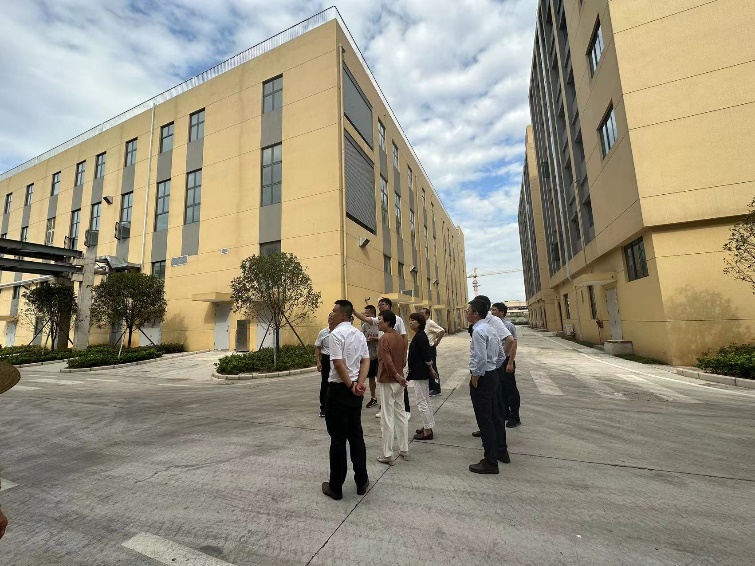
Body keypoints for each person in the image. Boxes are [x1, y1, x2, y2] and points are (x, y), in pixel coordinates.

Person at [322, 300, 370, 500]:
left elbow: (338, 364)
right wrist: (359, 384)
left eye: (334, 311)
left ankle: (336, 487)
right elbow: (365, 360)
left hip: (339, 390)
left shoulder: (336, 335)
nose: (331, 314)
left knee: (338, 439)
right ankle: (362, 481)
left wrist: (351, 385)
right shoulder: (359, 334)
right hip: (355, 391)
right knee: (356, 436)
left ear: (343, 315)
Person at [466, 298, 510, 474]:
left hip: (483, 377)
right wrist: (493, 369)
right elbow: (501, 355)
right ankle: (500, 452)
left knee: (485, 420)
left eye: (468, 311)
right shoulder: (490, 328)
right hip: (492, 375)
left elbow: (480, 358)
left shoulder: (478, 331)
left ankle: (490, 461)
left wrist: (476, 376)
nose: (466, 314)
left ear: (476, 313)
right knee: (494, 416)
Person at [352, 297, 410, 419]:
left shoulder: (397, 320)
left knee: (398, 382)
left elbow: (404, 337)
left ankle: (405, 410)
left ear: (389, 305)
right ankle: (385, 409)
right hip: (382, 353)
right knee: (385, 383)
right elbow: (365, 319)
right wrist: (353, 311)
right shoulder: (379, 320)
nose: (380, 306)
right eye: (378, 305)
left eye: (382, 304)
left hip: (394, 353)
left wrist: (404, 355)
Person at [471, 295, 513, 438]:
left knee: (494, 406)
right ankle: (489, 433)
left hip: (489, 370)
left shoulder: (493, 322)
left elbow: (510, 340)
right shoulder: (480, 325)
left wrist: (497, 365)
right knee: (487, 407)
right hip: (488, 369)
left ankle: (494, 440)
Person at [375, 309, 410, 465]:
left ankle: (387, 454)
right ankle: (404, 449)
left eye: (380, 320)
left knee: (387, 417)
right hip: (399, 380)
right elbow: (403, 359)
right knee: (400, 414)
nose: (378, 323)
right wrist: (400, 376)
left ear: (388, 322)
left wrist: (395, 375)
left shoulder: (384, 338)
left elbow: (387, 361)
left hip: (388, 379)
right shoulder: (400, 338)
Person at [407, 313, 437, 440]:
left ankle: (427, 431)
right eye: (409, 320)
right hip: (420, 372)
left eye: (413, 320)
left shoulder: (420, 336)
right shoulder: (419, 335)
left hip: (420, 373)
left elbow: (426, 354)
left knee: (421, 401)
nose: (410, 322)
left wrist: (431, 368)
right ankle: (427, 426)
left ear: (419, 322)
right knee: (425, 400)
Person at [492, 302, 521, 427]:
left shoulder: (508, 326)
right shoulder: (494, 326)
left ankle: (515, 417)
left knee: (511, 389)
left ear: (502, 312)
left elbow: (513, 345)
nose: (492, 312)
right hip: (497, 361)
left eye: (494, 310)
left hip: (507, 360)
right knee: (501, 388)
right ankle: (505, 413)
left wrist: (510, 363)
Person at [421, 307, 445, 396]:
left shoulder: (430, 323)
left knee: (433, 368)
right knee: (427, 369)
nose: (421, 315)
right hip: (425, 349)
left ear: (427, 315)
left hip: (430, 349)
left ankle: (437, 389)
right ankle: (431, 388)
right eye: (420, 313)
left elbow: (442, 331)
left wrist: (437, 341)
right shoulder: (423, 324)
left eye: (423, 313)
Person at [315, 313, 335, 418]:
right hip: (326, 359)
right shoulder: (323, 332)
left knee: (337, 383)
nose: (330, 319)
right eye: (329, 317)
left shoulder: (339, 332)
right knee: (325, 383)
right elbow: (318, 347)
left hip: (337, 359)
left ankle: (336, 406)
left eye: (332, 317)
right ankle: (323, 407)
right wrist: (318, 361)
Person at [361, 305, 380, 410]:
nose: (365, 315)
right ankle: (373, 398)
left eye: (366, 313)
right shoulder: (364, 326)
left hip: (379, 355)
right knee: (371, 378)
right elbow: (361, 338)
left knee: (381, 378)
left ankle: (384, 400)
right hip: (370, 356)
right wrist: (366, 340)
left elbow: (384, 337)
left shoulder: (379, 324)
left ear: (372, 314)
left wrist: (376, 339)